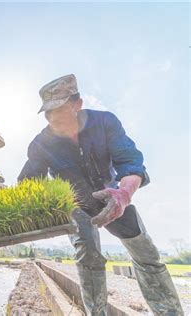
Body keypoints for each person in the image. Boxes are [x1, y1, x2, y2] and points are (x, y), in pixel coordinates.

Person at [18, 74, 183, 315]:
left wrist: (124, 194)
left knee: (145, 253)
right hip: (76, 206)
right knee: (88, 254)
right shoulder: (41, 144)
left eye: (60, 109)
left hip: (112, 196)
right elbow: (28, 186)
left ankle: (170, 312)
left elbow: (130, 162)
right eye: (48, 112)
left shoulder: (105, 123)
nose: (53, 117)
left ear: (77, 104)